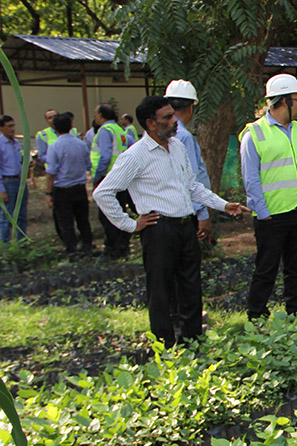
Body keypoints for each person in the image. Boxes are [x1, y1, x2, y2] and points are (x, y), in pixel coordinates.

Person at [94, 95, 249, 348]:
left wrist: (222, 204)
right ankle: (164, 344)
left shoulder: (177, 147)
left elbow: (192, 186)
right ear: (151, 123)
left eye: (172, 115)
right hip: (159, 229)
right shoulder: (136, 155)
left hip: (185, 226)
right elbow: (103, 192)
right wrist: (131, 224)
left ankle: (192, 340)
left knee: (191, 285)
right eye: (167, 117)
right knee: (160, 290)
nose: (174, 120)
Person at [239, 74, 297, 321]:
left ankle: (296, 314)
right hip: (271, 215)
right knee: (266, 269)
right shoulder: (254, 133)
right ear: (284, 101)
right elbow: (250, 178)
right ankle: (257, 316)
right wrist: (262, 212)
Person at [165, 79, 213, 242]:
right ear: (191, 107)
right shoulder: (184, 136)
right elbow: (191, 179)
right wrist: (203, 214)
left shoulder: (153, 133)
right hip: (185, 213)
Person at [44, 112, 93, 254]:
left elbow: (51, 172)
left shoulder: (54, 147)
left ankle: (72, 251)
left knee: (66, 222)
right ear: (71, 126)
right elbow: (88, 165)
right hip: (79, 187)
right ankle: (87, 246)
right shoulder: (81, 144)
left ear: (54, 128)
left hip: (62, 188)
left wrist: (48, 193)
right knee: (83, 219)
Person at [92, 103, 135, 258]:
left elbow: (104, 156)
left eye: (96, 113)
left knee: (107, 215)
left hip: (109, 177)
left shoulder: (105, 131)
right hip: (122, 177)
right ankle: (123, 245)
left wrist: (98, 176)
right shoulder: (119, 130)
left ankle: (113, 248)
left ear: (100, 115)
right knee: (120, 211)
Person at [0, 115, 27, 244]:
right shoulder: (1, 144)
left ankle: (22, 242)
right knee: (7, 216)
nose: (12, 129)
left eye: (13, 125)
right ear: (2, 128)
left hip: (19, 181)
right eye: (9, 126)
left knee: (21, 214)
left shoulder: (15, 143)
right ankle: (4, 244)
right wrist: (1, 190)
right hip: (7, 182)